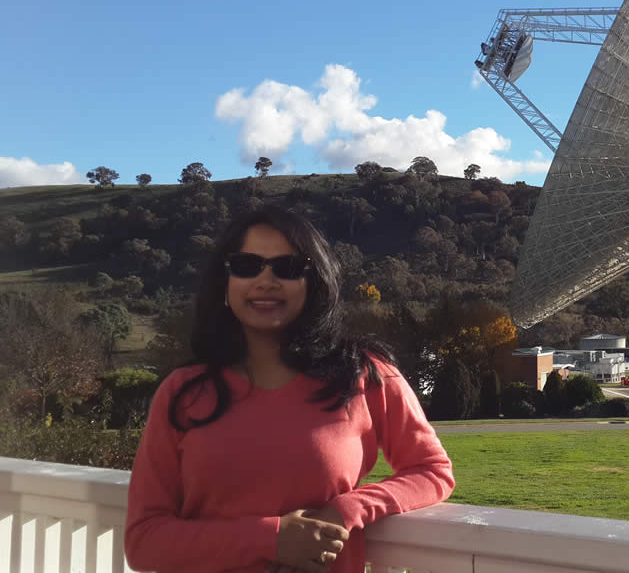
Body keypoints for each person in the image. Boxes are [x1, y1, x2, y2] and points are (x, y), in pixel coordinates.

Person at [125, 206, 454, 573]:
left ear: (314, 282)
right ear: (225, 281)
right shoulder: (183, 392)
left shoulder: (364, 374)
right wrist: (271, 540)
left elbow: (432, 471)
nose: (266, 281)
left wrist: (346, 510)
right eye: (248, 265)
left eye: (288, 268)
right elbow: (144, 542)